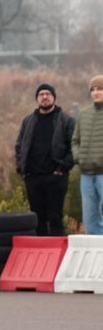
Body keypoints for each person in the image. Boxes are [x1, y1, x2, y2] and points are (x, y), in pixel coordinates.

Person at [15, 83, 76, 236]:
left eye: (48, 94)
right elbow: (19, 146)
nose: (44, 97)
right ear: (37, 99)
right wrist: (21, 168)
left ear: (54, 97)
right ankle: (41, 255)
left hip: (56, 177)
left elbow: (74, 147)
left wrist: (63, 167)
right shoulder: (28, 121)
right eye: (41, 94)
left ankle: (58, 256)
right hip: (33, 177)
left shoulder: (66, 121)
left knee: (55, 218)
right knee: (37, 218)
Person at [73, 75, 103, 235]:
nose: (96, 93)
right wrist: (79, 158)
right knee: (90, 221)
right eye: (93, 90)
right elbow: (75, 140)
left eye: (100, 89)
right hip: (86, 175)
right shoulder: (83, 115)